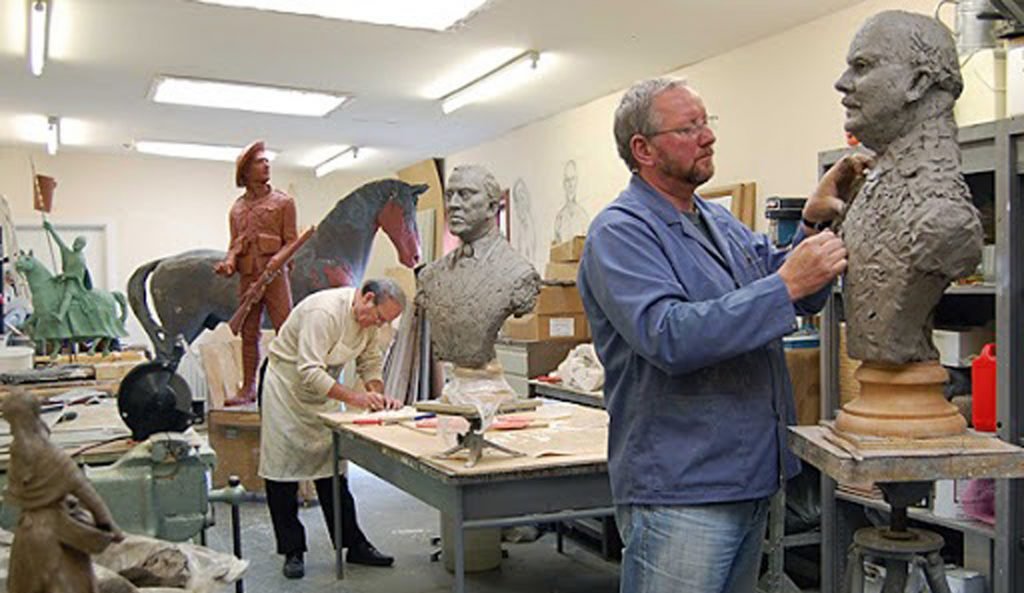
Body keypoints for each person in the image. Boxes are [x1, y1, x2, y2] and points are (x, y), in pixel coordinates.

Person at [577, 77, 864, 593]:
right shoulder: (619, 233)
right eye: (688, 127)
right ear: (642, 149)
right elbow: (669, 335)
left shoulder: (715, 220)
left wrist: (814, 226)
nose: (707, 136)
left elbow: (789, 288)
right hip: (683, 490)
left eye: (707, 122)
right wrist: (784, 285)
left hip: (749, 476)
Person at [831, 10, 983, 364]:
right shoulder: (864, 190)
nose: (842, 82)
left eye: (863, 66)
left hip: (905, 398)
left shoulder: (943, 218)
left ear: (917, 82)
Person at [258, 278, 405, 579]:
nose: (378, 325)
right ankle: (292, 549)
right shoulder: (323, 313)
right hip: (287, 387)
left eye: (385, 322)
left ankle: (354, 544)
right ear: (366, 298)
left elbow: (369, 360)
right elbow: (309, 370)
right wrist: (355, 398)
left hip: (324, 391)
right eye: (379, 317)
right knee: (282, 473)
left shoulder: (368, 324)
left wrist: (376, 393)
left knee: (333, 470)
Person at [417, 165, 539, 370]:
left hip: (487, 385)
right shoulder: (431, 275)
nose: (453, 204)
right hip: (457, 384)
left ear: (492, 207)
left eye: (465, 195)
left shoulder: (517, 274)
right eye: (449, 195)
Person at [5, 389, 125, 593]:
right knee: (63, 584)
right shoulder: (53, 458)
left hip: (27, 534)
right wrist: (109, 525)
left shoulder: (18, 457)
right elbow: (86, 493)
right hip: (55, 536)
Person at [215, 140, 298, 405]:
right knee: (248, 334)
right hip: (248, 276)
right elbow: (234, 245)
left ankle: (291, 386)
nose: (266, 164)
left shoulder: (284, 202)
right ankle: (249, 388)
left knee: (286, 331)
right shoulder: (236, 209)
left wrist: (276, 263)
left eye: (266, 160)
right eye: (259, 161)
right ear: (245, 171)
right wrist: (229, 264)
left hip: (275, 278)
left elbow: (292, 241)